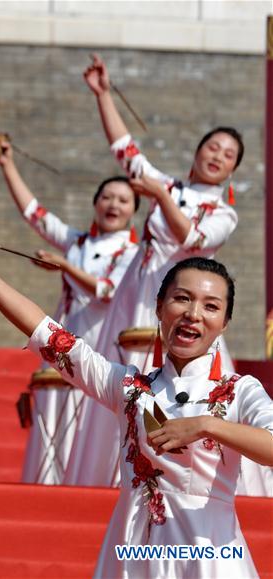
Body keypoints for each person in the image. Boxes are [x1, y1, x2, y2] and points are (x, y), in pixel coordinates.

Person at [0, 214, 272, 577]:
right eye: (181, 299)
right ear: (158, 308)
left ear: (225, 323)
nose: (193, 314)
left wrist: (205, 425)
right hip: (134, 552)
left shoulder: (238, 391)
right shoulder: (130, 389)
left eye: (211, 306)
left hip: (208, 555)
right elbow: (51, 337)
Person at [76, 53, 242, 487]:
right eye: (213, 147)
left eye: (227, 155)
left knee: (177, 377)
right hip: (138, 296)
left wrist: (158, 195)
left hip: (180, 302)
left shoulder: (222, 212)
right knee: (121, 378)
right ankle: (110, 474)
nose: (217, 156)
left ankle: (174, 466)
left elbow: (192, 239)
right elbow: (125, 150)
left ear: (231, 172)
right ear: (198, 150)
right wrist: (103, 94)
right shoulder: (165, 185)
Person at [0, 139, 139, 484]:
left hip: (101, 356)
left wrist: (64, 267)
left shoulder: (134, 253)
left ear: (134, 210)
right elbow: (36, 214)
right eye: (107, 197)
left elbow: (106, 291)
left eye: (123, 200)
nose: (113, 205)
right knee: (53, 429)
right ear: (94, 203)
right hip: (62, 347)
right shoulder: (77, 244)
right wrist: (7, 165)